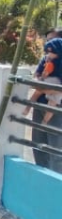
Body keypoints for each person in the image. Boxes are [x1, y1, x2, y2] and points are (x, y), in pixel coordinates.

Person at [29, 31, 62, 171]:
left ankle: (56, 182)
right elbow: (36, 79)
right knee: (38, 144)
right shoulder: (45, 61)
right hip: (40, 104)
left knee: (56, 148)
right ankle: (41, 177)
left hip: (57, 109)